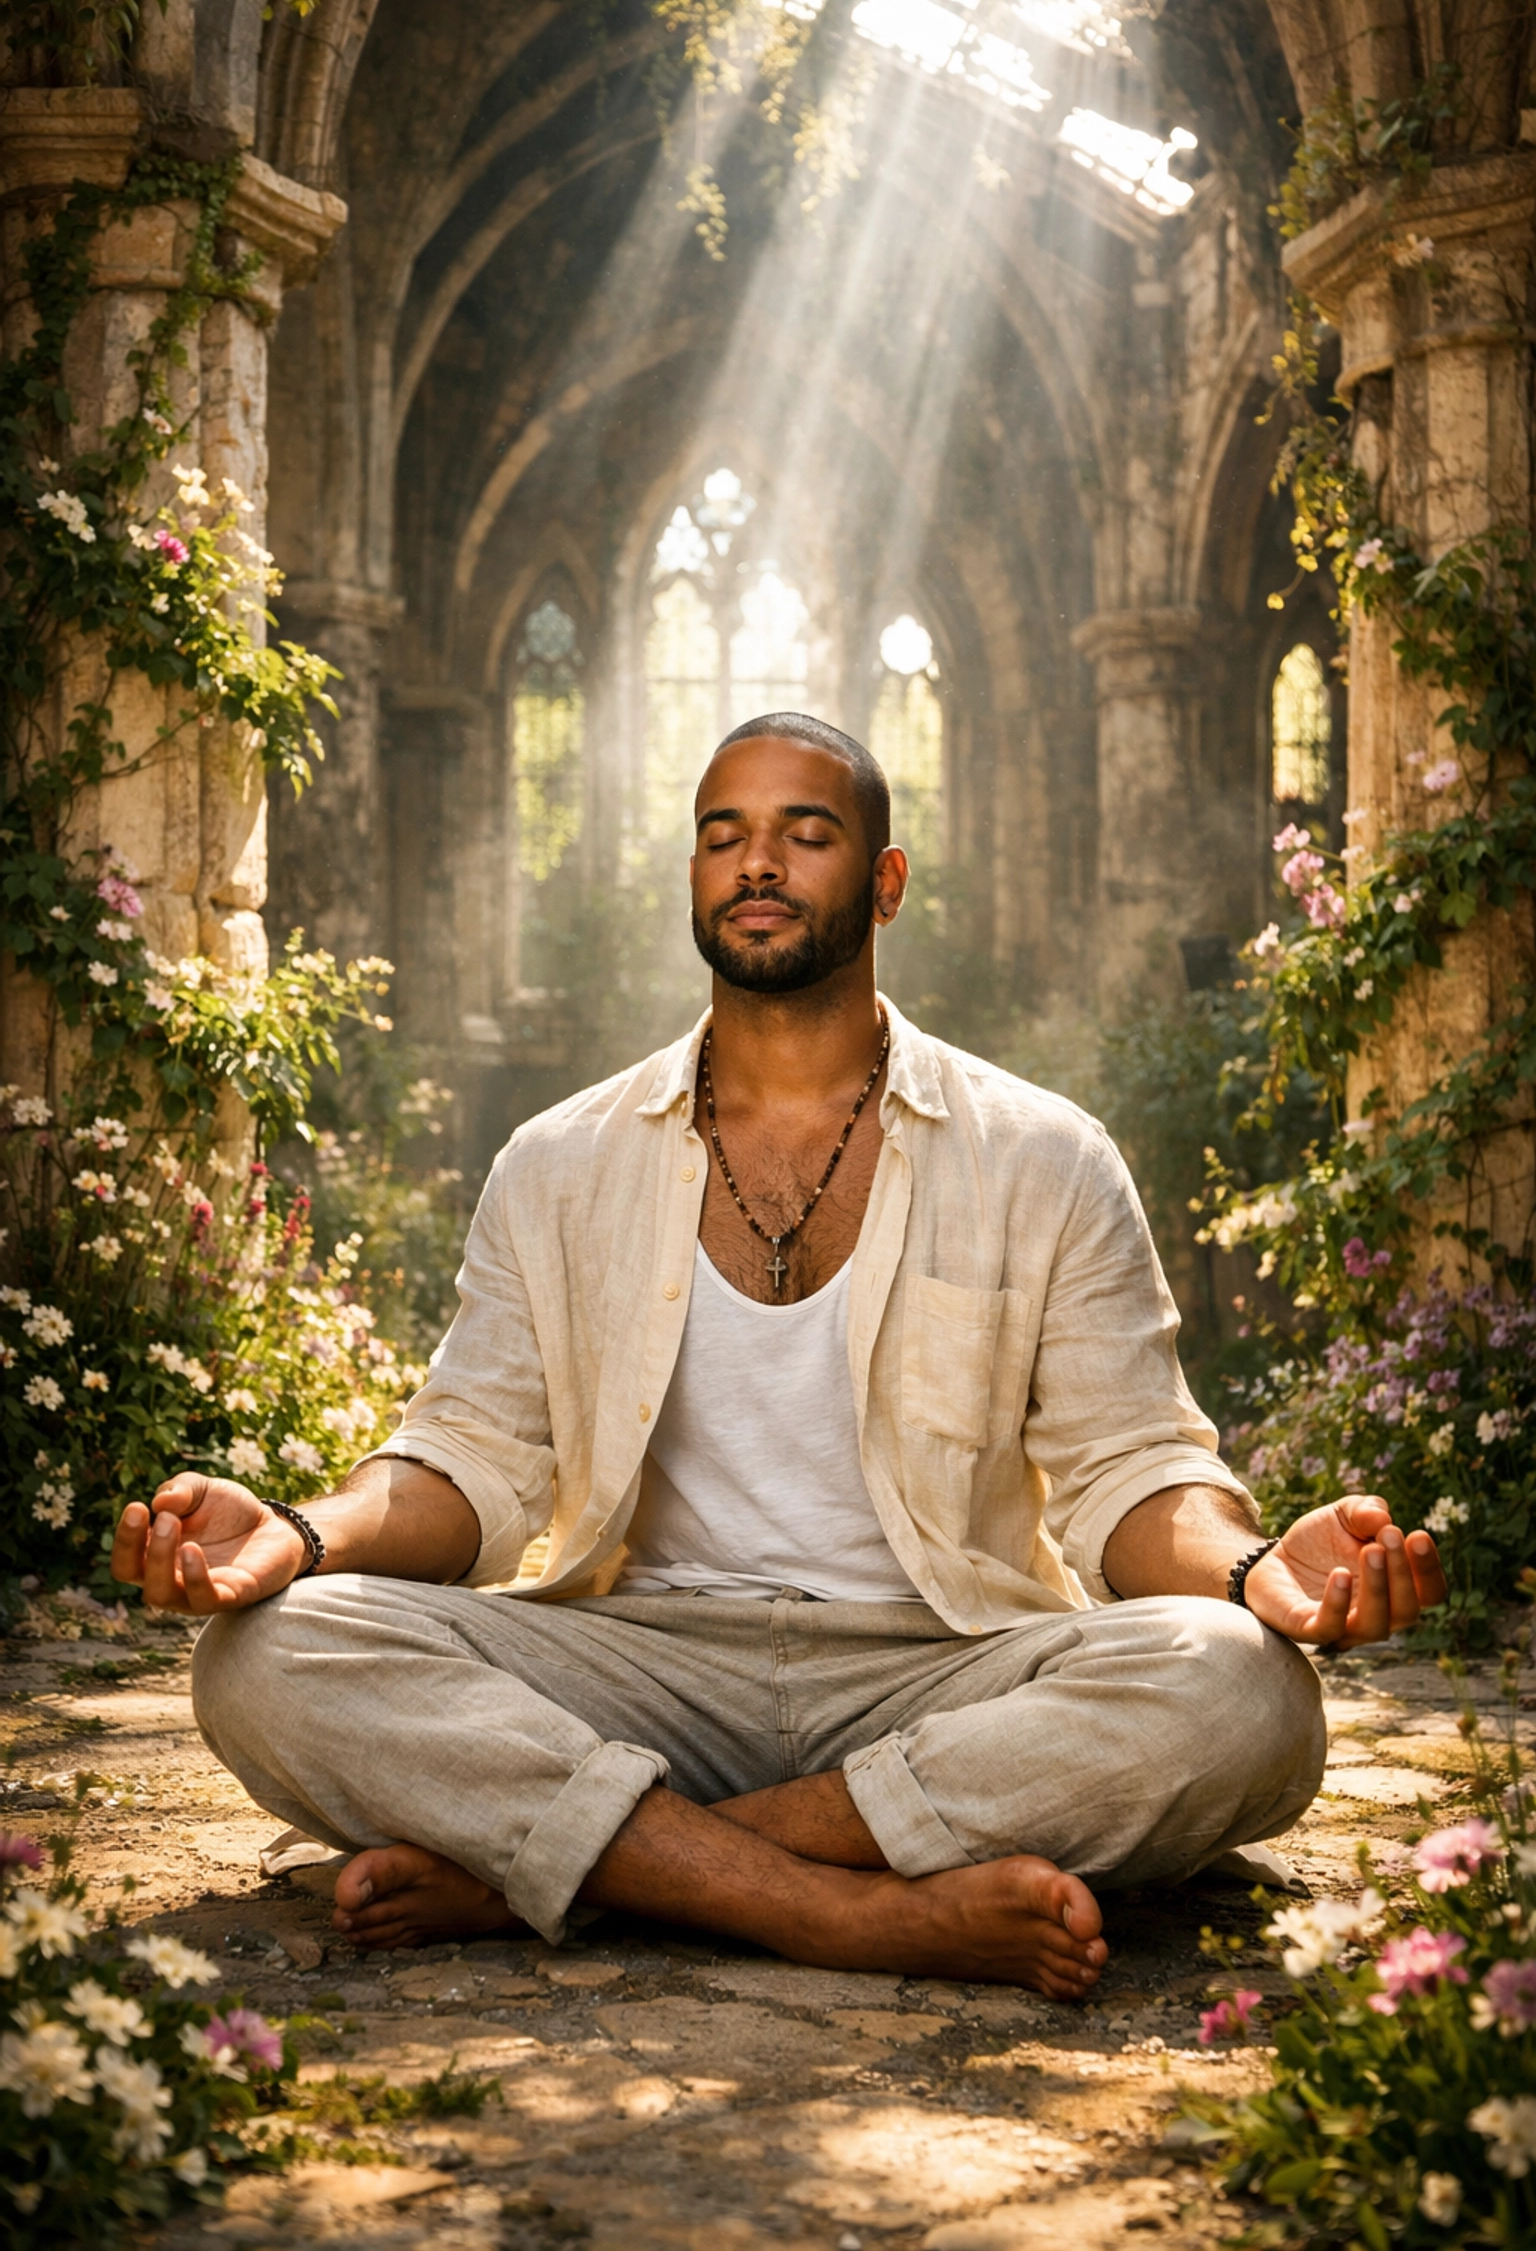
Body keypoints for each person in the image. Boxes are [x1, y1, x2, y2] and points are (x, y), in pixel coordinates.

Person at [111, 713, 1447, 1998]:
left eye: (805, 833)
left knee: (1244, 1692)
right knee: (265, 1657)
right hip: (645, 1660)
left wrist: (1258, 1572)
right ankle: (845, 1910)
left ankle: (589, 1865)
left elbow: (1131, 1471)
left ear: (884, 881)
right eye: (723, 834)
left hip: (938, 1662)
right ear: (692, 875)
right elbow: (467, 1466)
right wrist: (300, 1533)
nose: (756, 861)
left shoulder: (1042, 1156)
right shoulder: (560, 1161)